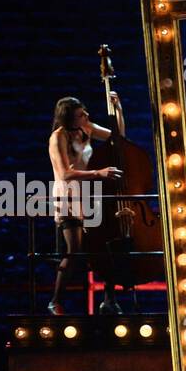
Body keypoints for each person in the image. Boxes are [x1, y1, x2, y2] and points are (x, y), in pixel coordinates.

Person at [47, 95, 126, 316]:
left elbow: (117, 137)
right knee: (75, 250)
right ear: (69, 117)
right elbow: (64, 173)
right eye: (81, 114)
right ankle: (55, 301)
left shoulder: (86, 128)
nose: (87, 116)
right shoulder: (58, 137)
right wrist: (98, 173)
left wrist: (118, 109)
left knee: (106, 245)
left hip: (89, 197)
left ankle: (109, 300)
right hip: (69, 198)